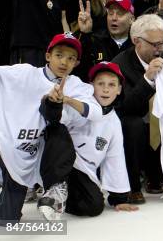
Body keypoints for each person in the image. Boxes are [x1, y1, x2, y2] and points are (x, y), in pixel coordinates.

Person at [0, 33, 103, 224]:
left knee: (57, 127)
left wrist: (67, 100)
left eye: (71, 58)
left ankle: (54, 190)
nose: (64, 62)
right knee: (7, 221)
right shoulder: (25, 73)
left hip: (49, 151)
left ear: (76, 63)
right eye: (59, 55)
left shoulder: (77, 85)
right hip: (14, 146)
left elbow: (96, 113)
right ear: (48, 56)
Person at [111, 14, 163, 204]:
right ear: (137, 41)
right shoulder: (119, 64)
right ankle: (133, 186)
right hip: (137, 126)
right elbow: (126, 107)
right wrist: (147, 79)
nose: (160, 49)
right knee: (133, 124)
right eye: (155, 44)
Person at [65, 62, 138, 216]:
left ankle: (64, 199)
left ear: (119, 90)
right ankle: (53, 188)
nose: (105, 89)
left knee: (94, 207)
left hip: (85, 172)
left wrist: (119, 198)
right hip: (64, 165)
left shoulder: (114, 123)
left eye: (112, 85)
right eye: (100, 83)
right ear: (90, 86)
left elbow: (115, 159)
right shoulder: (79, 106)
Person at [75, 0, 135, 80]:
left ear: (131, 19)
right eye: (110, 13)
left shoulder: (138, 44)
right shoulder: (95, 40)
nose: (114, 18)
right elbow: (80, 69)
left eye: (120, 14)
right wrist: (85, 34)